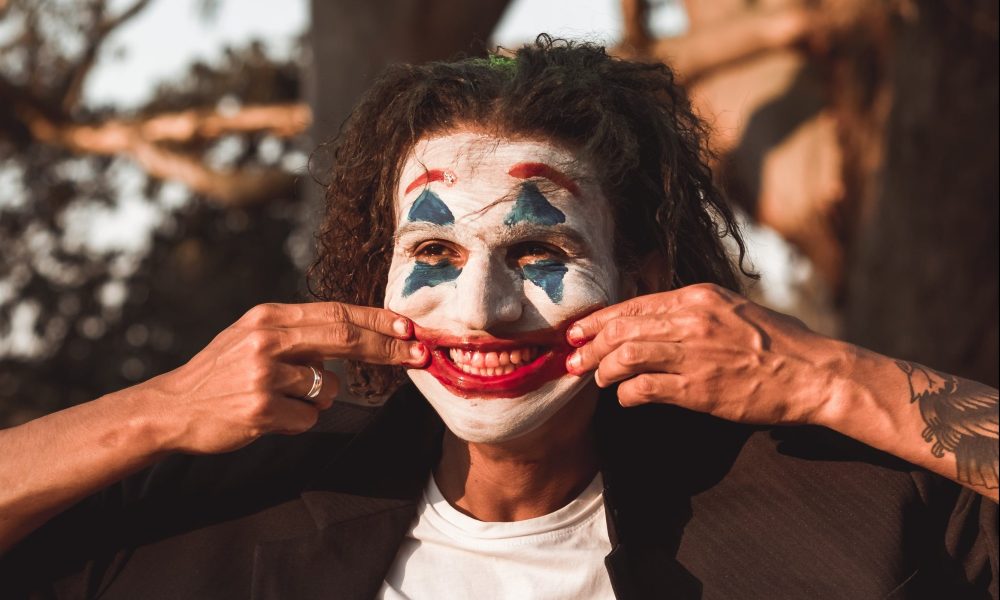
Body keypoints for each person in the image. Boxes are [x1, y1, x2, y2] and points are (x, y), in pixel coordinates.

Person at [1, 38, 996, 600]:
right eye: (432, 253)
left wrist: (827, 379)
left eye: (539, 253)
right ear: (377, 276)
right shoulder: (224, 517)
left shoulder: (842, 518)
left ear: (639, 275)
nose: (481, 308)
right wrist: (160, 410)